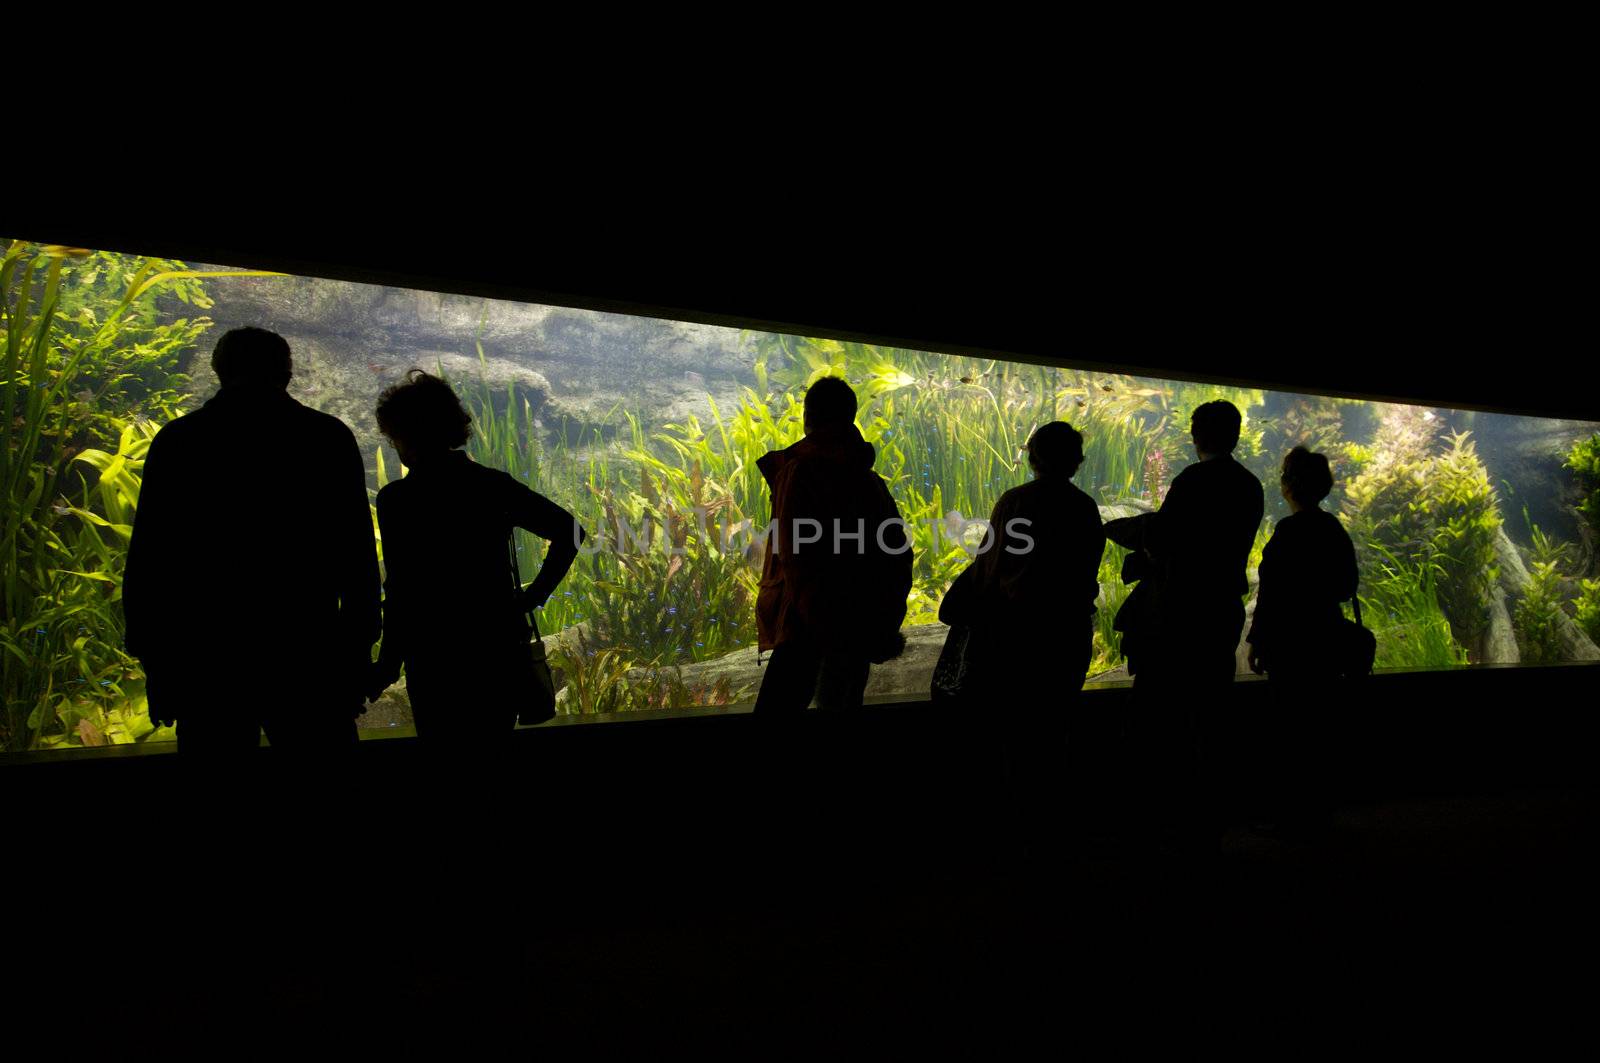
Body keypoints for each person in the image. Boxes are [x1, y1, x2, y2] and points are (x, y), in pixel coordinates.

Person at [123, 327, 381, 752]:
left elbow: (151, 559)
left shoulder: (179, 440)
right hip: (307, 653)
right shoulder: (326, 437)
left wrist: (158, 664)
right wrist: (355, 654)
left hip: (207, 658)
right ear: (287, 371)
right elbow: (356, 558)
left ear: (218, 370)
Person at [367, 371, 585, 741]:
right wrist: (531, 599)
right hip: (493, 651)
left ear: (405, 435)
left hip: (432, 657)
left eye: (393, 436)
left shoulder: (398, 500)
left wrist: (387, 666)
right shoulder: (492, 485)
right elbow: (572, 532)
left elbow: (403, 591)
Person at [1104, 399, 1264, 853]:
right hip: (1220, 611)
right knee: (1209, 708)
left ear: (1196, 435)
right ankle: (1206, 819)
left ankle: (1159, 818)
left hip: (1178, 612)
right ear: (1235, 435)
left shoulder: (1193, 480)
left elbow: (1165, 535)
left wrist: (1129, 536)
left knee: (1161, 711)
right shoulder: (1250, 485)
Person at [939, 422, 1106, 844]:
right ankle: (1049, 825)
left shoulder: (1016, 501)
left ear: (1032, 458)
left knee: (1009, 731)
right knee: (1053, 729)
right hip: (1066, 636)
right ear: (1077, 461)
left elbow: (990, 568)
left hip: (1016, 637)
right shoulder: (1085, 508)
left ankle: (1007, 827)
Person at [753, 376, 912, 713]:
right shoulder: (869, 480)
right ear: (851, 417)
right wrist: (881, 622)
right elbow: (897, 553)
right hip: (858, 625)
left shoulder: (799, 472)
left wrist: (820, 626)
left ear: (808, 417)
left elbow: (796, 557)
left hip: (806, 626)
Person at [1244, 446, 1358, 835]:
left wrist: (1258, 640)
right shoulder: (1333, 529)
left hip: (1291, 642)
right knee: (1320, 726)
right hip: (1326, 636)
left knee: (1289, 727)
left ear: (1288, 486)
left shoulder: (1289, 531)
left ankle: (1290, 815)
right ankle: (1320, 812)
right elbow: (1347, 587)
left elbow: (1272, 592)